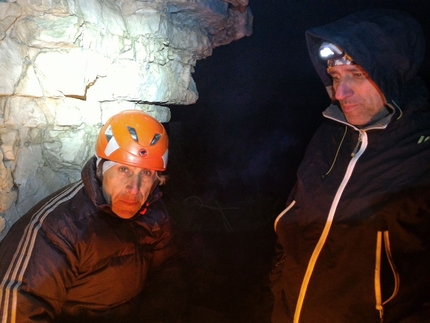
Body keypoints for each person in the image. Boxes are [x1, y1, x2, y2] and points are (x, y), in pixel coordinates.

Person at [270, 8, 430, 323]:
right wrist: (280, 291)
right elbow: (290, 223)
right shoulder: (330, 136)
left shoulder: (421, 158)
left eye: (357, 75)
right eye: (335, 77)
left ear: (392, 72)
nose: (341, 93)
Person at [0, 110, 186, 323]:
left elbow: (169, 271)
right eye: (124, 169)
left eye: (145, 173)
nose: (134, 189)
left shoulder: (154, 212)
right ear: (101, 169)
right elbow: (16, 307)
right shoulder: (57, 229)